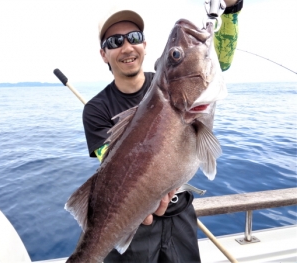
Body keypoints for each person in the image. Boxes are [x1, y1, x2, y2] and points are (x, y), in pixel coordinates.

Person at [83, 1, 243, 262]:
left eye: (134, 37)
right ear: (104, 54)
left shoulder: (167, 78)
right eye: (115, 42)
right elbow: (110, 163)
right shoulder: (96, 109)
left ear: (145, 45)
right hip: (134, 222)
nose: (126, 47)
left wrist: (232, 10)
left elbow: (220, 62)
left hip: (181, 215)